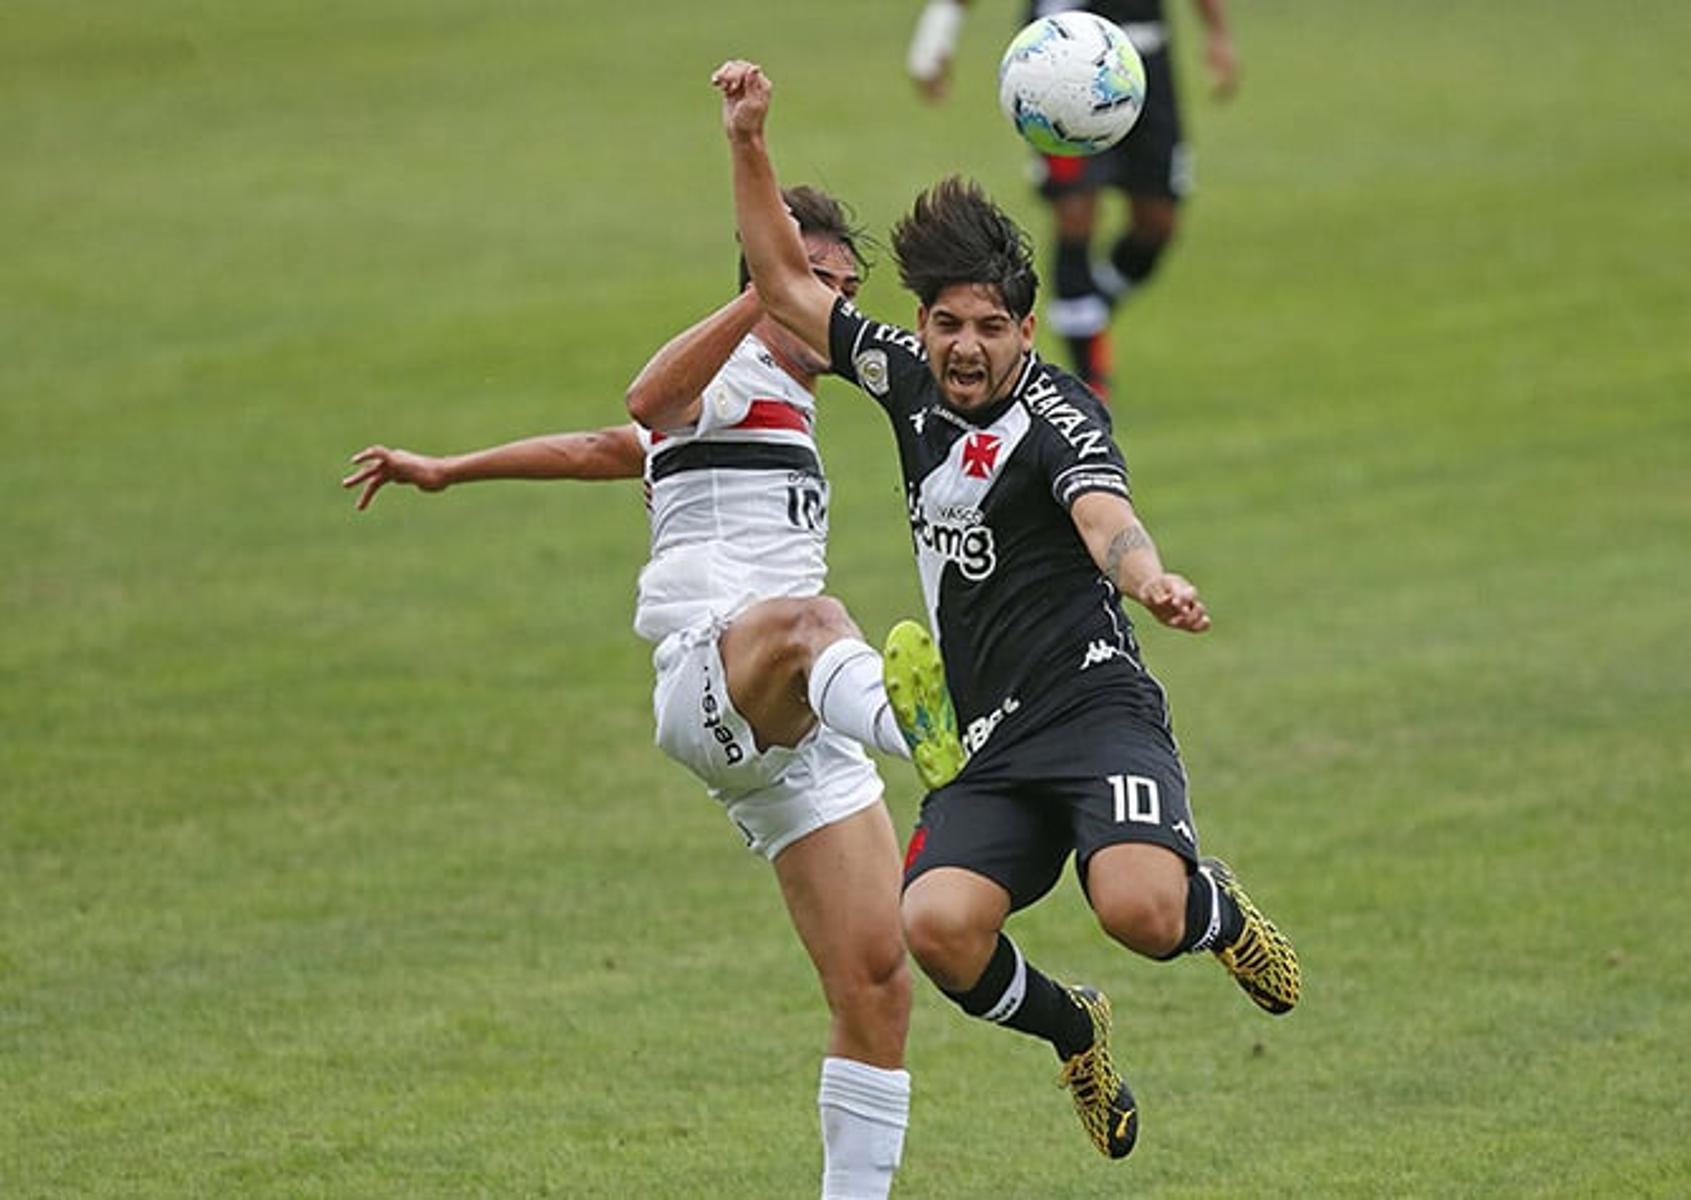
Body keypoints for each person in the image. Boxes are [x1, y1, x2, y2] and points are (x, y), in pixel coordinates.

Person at [715, 60, 1298, 1162]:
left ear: (1025, 332)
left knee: (1142, 911)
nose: (966, 347)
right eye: (945, 324)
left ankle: (1210, 910)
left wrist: (1149, 578)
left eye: (989, 326)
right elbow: (787, 289)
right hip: (988, 743)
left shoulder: (1058, 413)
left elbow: (1102, 515)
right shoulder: (903, 380)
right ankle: (1073, 1028)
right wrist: (749, 140)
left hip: (1094, 713)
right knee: (932, 929)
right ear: (921, 325)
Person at [341, 193, 966, 1200]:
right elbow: (647, 400)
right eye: (821, 285)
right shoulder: (727, 375)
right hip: (712, 676)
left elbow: (605, 448)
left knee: (878, 981)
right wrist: (759, 273)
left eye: (847, 293)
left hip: (790, 733)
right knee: (816, 621)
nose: (838, 310)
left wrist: (449, 471)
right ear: (772, 278)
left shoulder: (786, 401)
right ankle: (925, 734)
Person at [905, 0, 1241, 399]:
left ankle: (1085, 305)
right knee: (1076, 212)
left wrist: (1217, 32)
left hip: (1141, 66)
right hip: (1060, 67)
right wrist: (936, 35)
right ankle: (1091, 383)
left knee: (1157, 225)